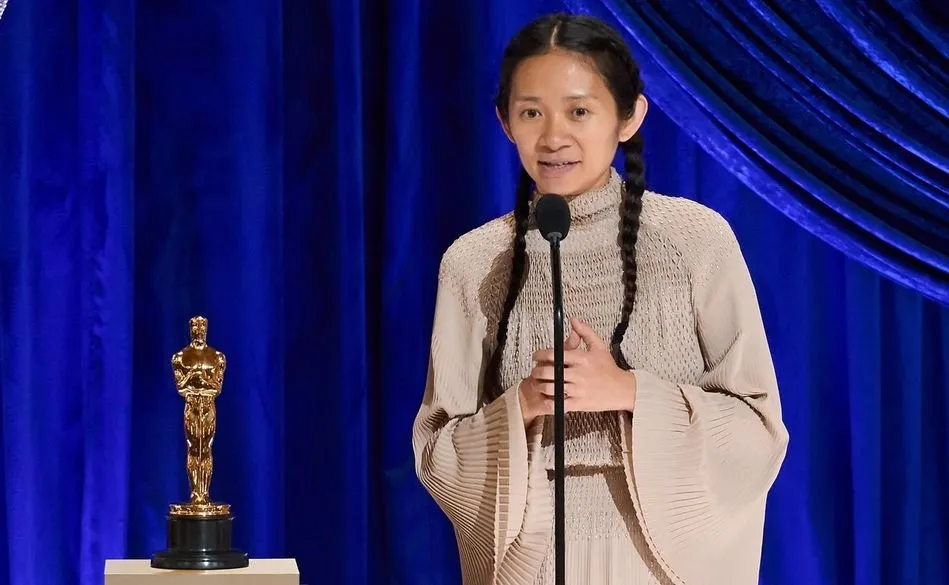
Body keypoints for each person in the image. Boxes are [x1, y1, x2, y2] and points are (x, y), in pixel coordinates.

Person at [412, 12, 789, 585]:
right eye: (531, 112)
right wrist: (520, 407)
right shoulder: (473, 263)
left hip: (661, 566)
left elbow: (758, 430)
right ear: (504, 121)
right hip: (532, 566)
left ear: (629, 116)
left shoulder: (695, 241)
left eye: (579, 111)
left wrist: (630, 392)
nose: (553, 137)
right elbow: (438, 451)